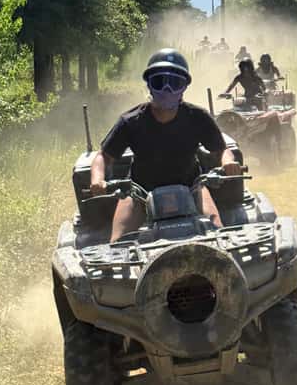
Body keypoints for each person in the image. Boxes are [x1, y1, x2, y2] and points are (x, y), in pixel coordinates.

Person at [90, 49, 240, 241]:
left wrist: (228, 162)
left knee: (218, 236)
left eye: (175, 83)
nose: (167, 90)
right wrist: (97, 178)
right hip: (140, 194)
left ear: (184, 87)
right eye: (160, 82)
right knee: (118, 245)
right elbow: (104, 155)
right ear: (149, 85)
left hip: (192, 189)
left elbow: (221, 149)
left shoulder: (198, 117)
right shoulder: (131, 121)